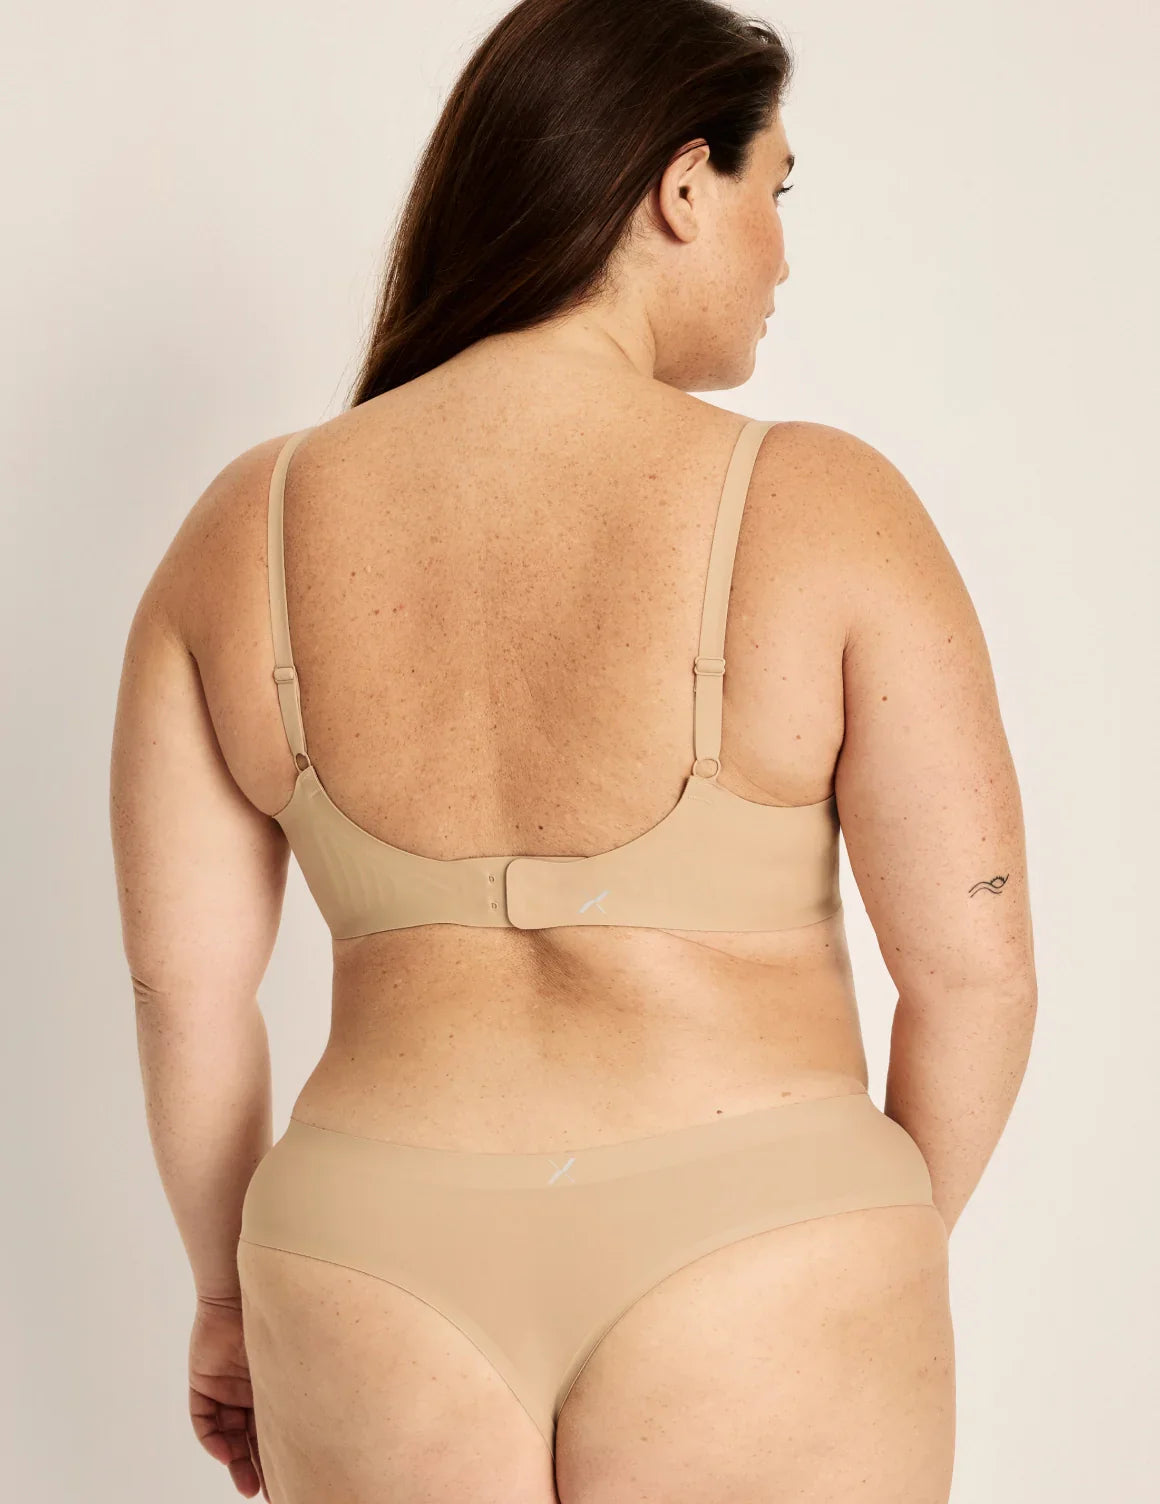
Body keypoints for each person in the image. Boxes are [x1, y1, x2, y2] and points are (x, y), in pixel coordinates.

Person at [108, 1, 1038, 1500]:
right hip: (764, 1238)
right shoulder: (823, 507)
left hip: (365, 1265)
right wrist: (854, 1248)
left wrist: (226, 1299)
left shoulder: (244, 528)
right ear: (683, 188)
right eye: (775, 189)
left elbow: (183, 994)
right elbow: (975, 976)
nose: (783, 256)